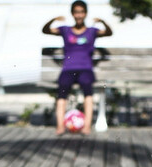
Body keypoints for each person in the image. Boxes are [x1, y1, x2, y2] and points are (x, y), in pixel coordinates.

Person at [42, 1, 112, 135]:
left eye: (81, 12)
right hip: (68, 69)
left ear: (85, 14)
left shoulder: (92, 31)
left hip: (85, 69)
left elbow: (108, 33)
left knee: (88, 93)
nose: (79, 15)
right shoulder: (65, 30)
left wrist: (103, 22)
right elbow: (45, 30)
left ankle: (86, 126)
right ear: (72, 14)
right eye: (76, 12)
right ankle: (60, 126)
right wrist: (53, 20)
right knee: (61, 94)